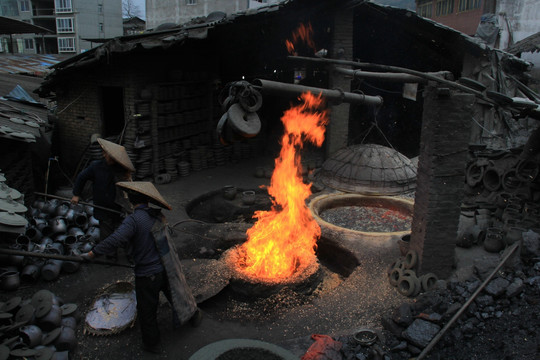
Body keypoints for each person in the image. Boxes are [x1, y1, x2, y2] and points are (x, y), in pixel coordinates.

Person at [80, 181, 202, 354]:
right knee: (178, 294)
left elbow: (116, 239)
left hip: (147, 275)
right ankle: (194, 315)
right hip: (165, 269)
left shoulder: (134, 220)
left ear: (131, 200)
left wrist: (93, 253)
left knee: (147, 312)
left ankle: (152, 344)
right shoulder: (155, 215)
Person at [71, 138, 135, 244]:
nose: (110, 158)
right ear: (104, 154)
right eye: (108, 155)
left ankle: (126, 251)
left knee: (123, 232)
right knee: (106, 234)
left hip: (119, 207)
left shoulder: (121, 168)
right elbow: (81, 177)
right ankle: (110, 256)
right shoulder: (96, 166)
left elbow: (128, 186)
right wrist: (76, 194)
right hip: (103, 207)